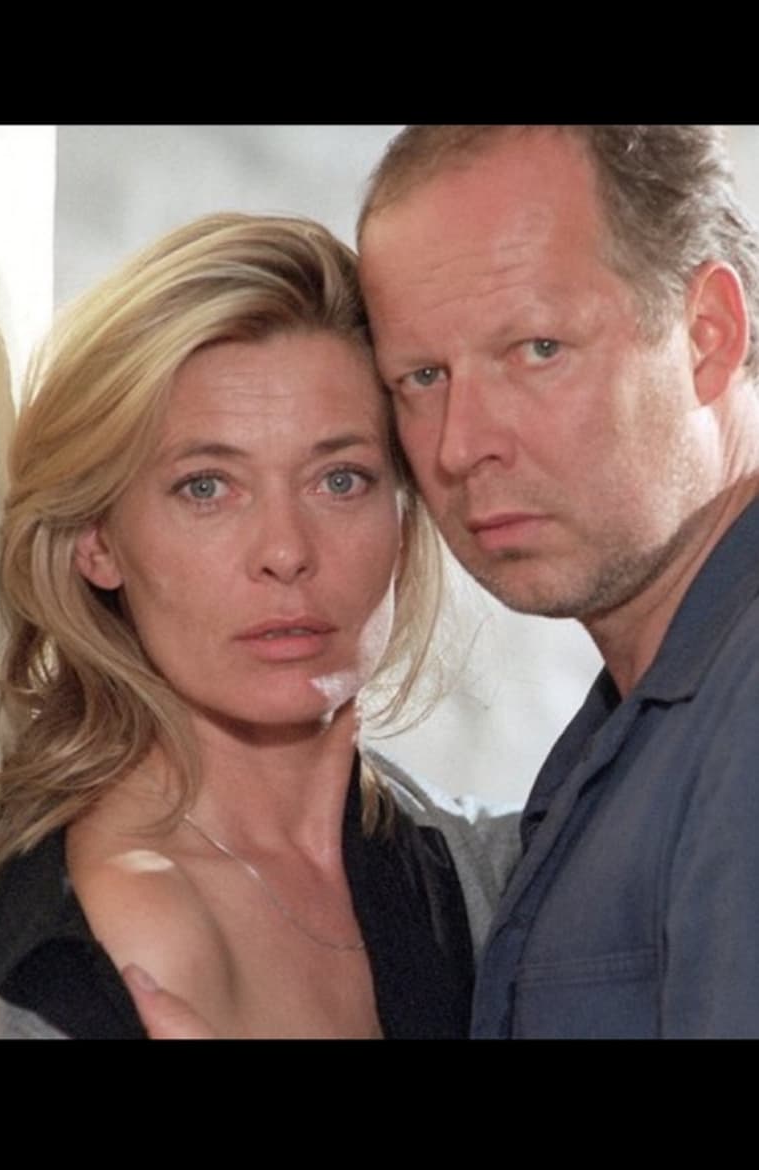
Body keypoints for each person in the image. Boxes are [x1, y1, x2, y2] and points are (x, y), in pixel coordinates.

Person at [0, 211, 519, 1040]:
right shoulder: (70, 972)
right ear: (97, 541)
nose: (286, 552)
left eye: (340, 479)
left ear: (407, 515)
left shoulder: (510, 879)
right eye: (206, 487)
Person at [355, 124, 759, 1038]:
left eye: (537, 349)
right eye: (422, 376)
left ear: (707, 337)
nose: (460, 446)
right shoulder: (644, 716)